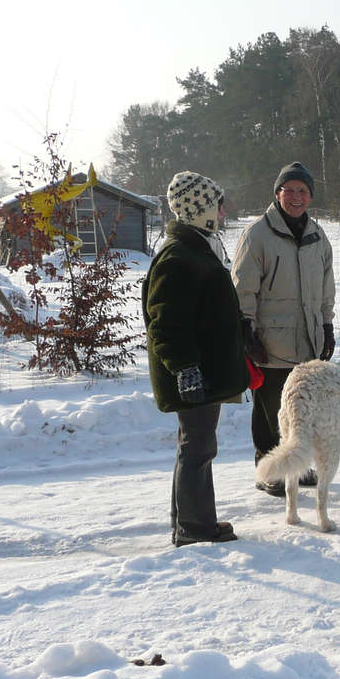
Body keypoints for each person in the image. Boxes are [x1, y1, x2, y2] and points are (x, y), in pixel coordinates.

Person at [143, 171, 247, 547]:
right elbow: (166, 323)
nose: (222, 211)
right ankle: (193, 528)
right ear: (199, 208)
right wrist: (185, 369)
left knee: (196, 445)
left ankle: (191, 522)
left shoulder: (198, 247)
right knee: (198, 447)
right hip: (195, 371)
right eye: (216, 204)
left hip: (203, 367)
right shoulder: (179, 256)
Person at [232, 161, 336, 496]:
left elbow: (326, 287)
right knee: (269, 409)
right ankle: (268, 470)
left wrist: (327, 324)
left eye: (302, 191)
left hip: (309, 341)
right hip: (270, 343)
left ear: (310, 197)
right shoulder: (257, 234)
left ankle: (297, 465)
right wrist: (246, 331)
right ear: (277, 194)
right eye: (288, 190)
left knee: (303, 409)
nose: (295, 196)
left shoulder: (318, 235)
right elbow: (243, 288)